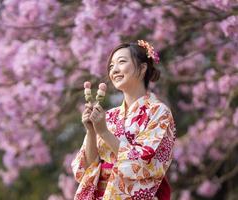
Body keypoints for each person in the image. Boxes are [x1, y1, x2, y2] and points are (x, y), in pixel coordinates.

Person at [71, 40, 176, 200]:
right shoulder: (110, 115)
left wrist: (104, 132)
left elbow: (145, 163)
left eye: (121, 62)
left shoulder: (159, 112)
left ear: (142, 68)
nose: (115, 70)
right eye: (111, 66)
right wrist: (91, 131)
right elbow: (88, 168)